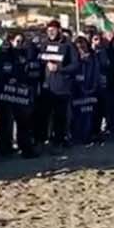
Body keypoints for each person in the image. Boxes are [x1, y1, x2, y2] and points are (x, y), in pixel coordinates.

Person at [34, 20, 77, 149]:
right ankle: (41, 140)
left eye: (53, 30)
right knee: (43, 115)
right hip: (46, 87)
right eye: (49, 31)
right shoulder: (44, 44)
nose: (51, 33)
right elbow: (38, 61)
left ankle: (58, 141)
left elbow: (75, 65)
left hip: (61, 88)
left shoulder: (68, 46)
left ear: (59, 30)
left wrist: (59, 69)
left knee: (60, 117)